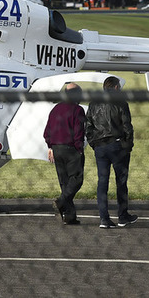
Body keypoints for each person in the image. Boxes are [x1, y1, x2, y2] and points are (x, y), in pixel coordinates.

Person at [85, 76, 137, 228]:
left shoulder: (94, 103)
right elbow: (127, 125)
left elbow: (88, 126)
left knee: (102, 181)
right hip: (117, 144)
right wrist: (128, 144)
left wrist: (94, 143)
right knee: (121, 181)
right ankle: (122, 216)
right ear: (115, 87)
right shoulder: (120, 102)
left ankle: (104, 218)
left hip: (100, 147)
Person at [44, 83, 86, 225]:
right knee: (76, 179)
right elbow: (79, 132)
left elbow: (47, 131)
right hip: (71, 149)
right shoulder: (77, 110)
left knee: (65, 182)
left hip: (56, 148)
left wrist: (50, 147)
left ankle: (69, 216)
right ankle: (61, 202)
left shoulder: (55, 109)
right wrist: (79, 149)